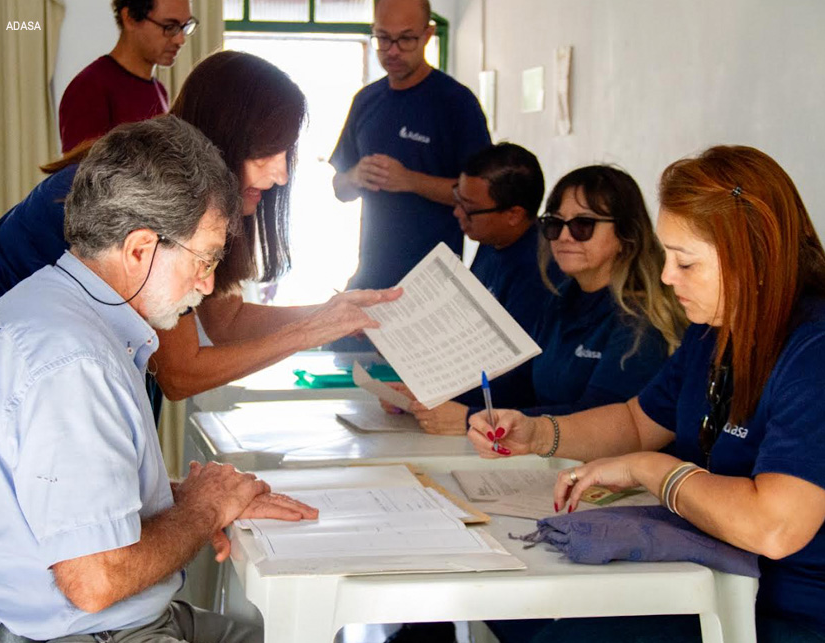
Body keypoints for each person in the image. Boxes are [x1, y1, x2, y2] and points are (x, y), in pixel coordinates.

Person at [0, 117, 318, 643]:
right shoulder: (73, 362)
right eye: (205, 259)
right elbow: (94, 580)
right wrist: (203, 508)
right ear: (138, 249)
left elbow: (59, 501)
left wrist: (200, 497)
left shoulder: (59, 309)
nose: (206, 283)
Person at [469, 145, 825, 643]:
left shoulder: (812, 352)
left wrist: (650, 469)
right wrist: (536, 433)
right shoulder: (714, 329)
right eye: (666, 257)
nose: (665, 276)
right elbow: (638, 421)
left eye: (686, 263)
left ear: (757, 255)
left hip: (787, 614)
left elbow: (775, 527)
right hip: (705, 582)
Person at [0, 51, 399, 416]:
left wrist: (333, 313)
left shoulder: (187, 189)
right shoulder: (146, 196)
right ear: (227, 137)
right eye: (269, 150)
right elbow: (181, 372)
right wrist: (313, 331)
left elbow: (225, 322)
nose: (282, 174)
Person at [392, 165, 685, 436]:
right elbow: (519, 388)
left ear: (626, 234)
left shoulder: (639, 321)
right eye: (555, 225)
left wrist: (472, 418)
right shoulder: (559, 303)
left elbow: (602, 418)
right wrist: (432, 398)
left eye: (583, 225)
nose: (565, 237)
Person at [330, 0, 491, 291]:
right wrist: (355, 176)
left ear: (427, 35)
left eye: (405, 39)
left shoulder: (456, 103)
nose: (392, 50)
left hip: (434, 283)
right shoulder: (366, 101)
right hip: (371, 276)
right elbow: (340, 189)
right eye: (383, 38)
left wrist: (410, 181)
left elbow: (484, 198)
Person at [58, 0, 197, 152]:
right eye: (170, 26)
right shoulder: (89, 88)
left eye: (184, 27)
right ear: (130, 18)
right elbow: (78, 172)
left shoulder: (159, 90)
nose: (180, 40)